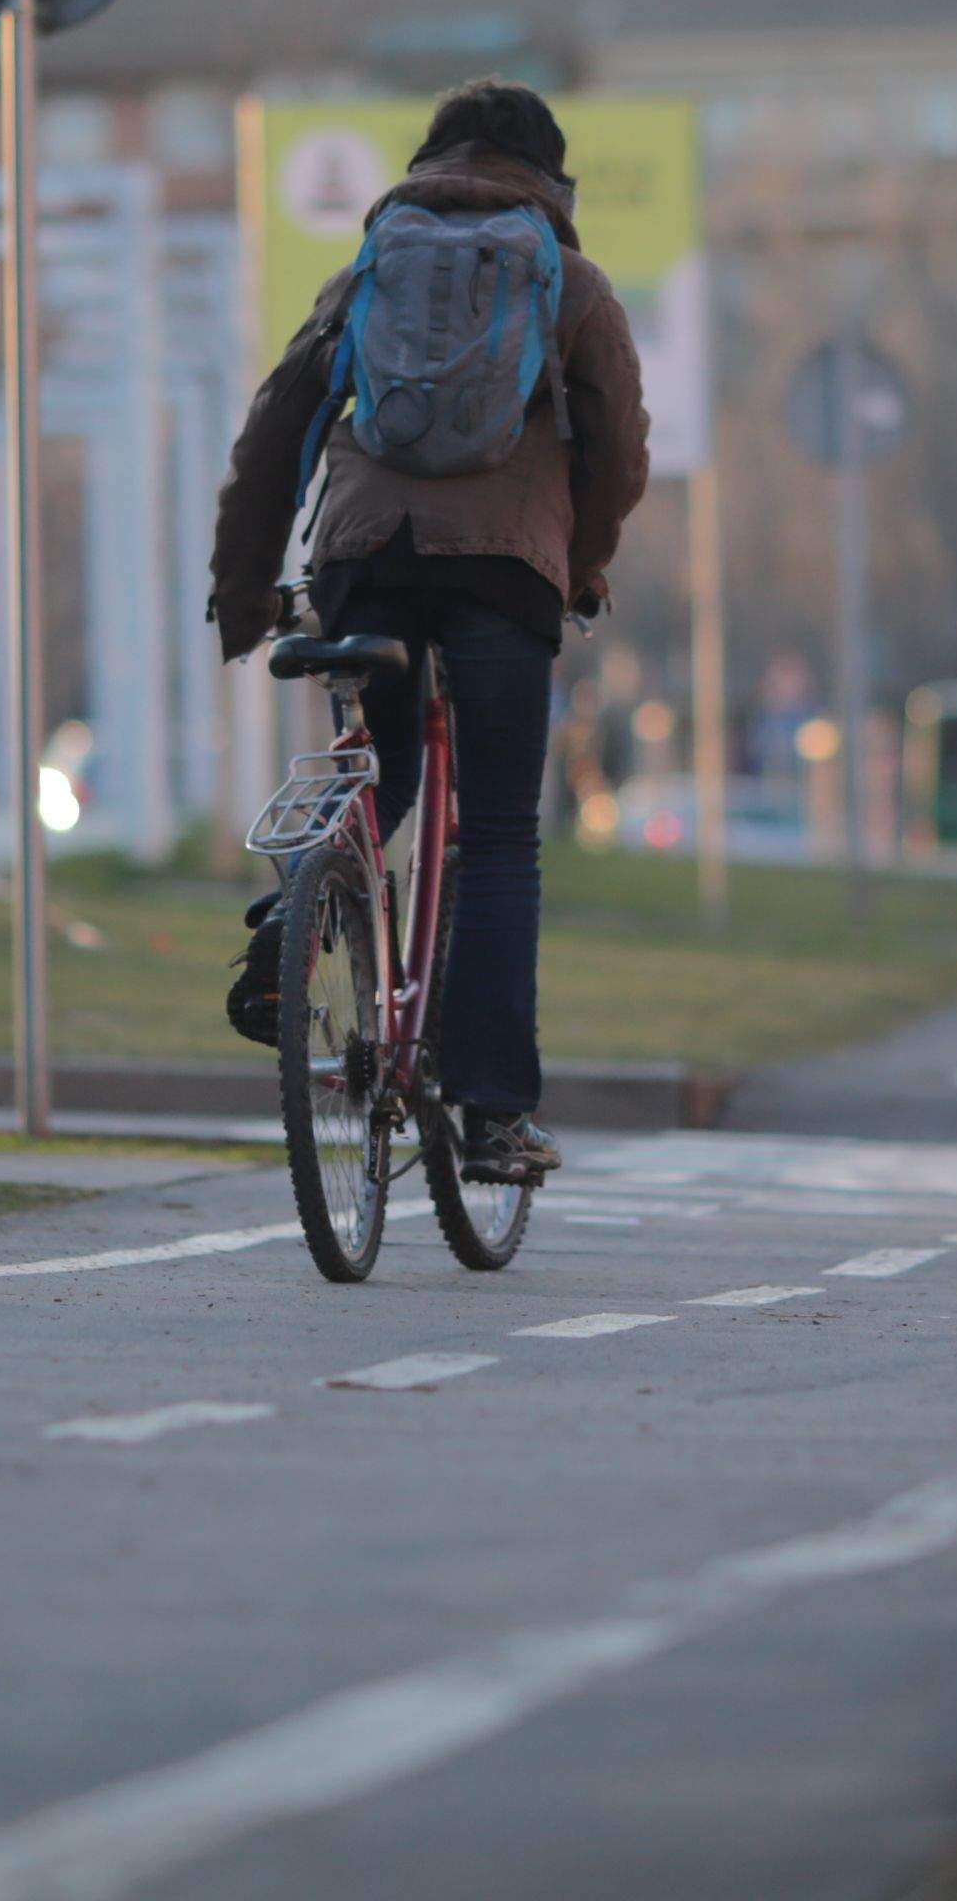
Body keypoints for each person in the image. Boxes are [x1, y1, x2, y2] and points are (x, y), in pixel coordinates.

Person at [209, 79, 651, 1184]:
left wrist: (248, 592)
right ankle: (493, 1113)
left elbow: (275, 432)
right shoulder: (571, 284)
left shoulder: (368, 272)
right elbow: (618, 451)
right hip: (505, 573)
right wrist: (580, 568)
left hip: (368, 559)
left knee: (383, 775)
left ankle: (298, 915)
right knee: (497, 835)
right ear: (551, 181)